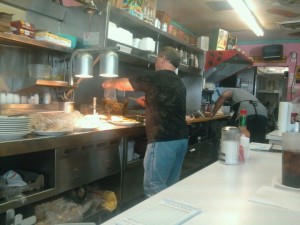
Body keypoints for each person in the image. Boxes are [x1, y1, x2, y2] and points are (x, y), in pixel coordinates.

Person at [102, 46, 189, 197]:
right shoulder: (178, 82)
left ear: (162, 58)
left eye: (156, 59)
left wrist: (109, 82)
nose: (156, 63)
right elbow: (169, 103)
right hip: (180, 139)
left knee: (154, 186)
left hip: (163, 140)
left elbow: (124, 84)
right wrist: (149, 101)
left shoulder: (157, 77)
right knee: (170, 185)